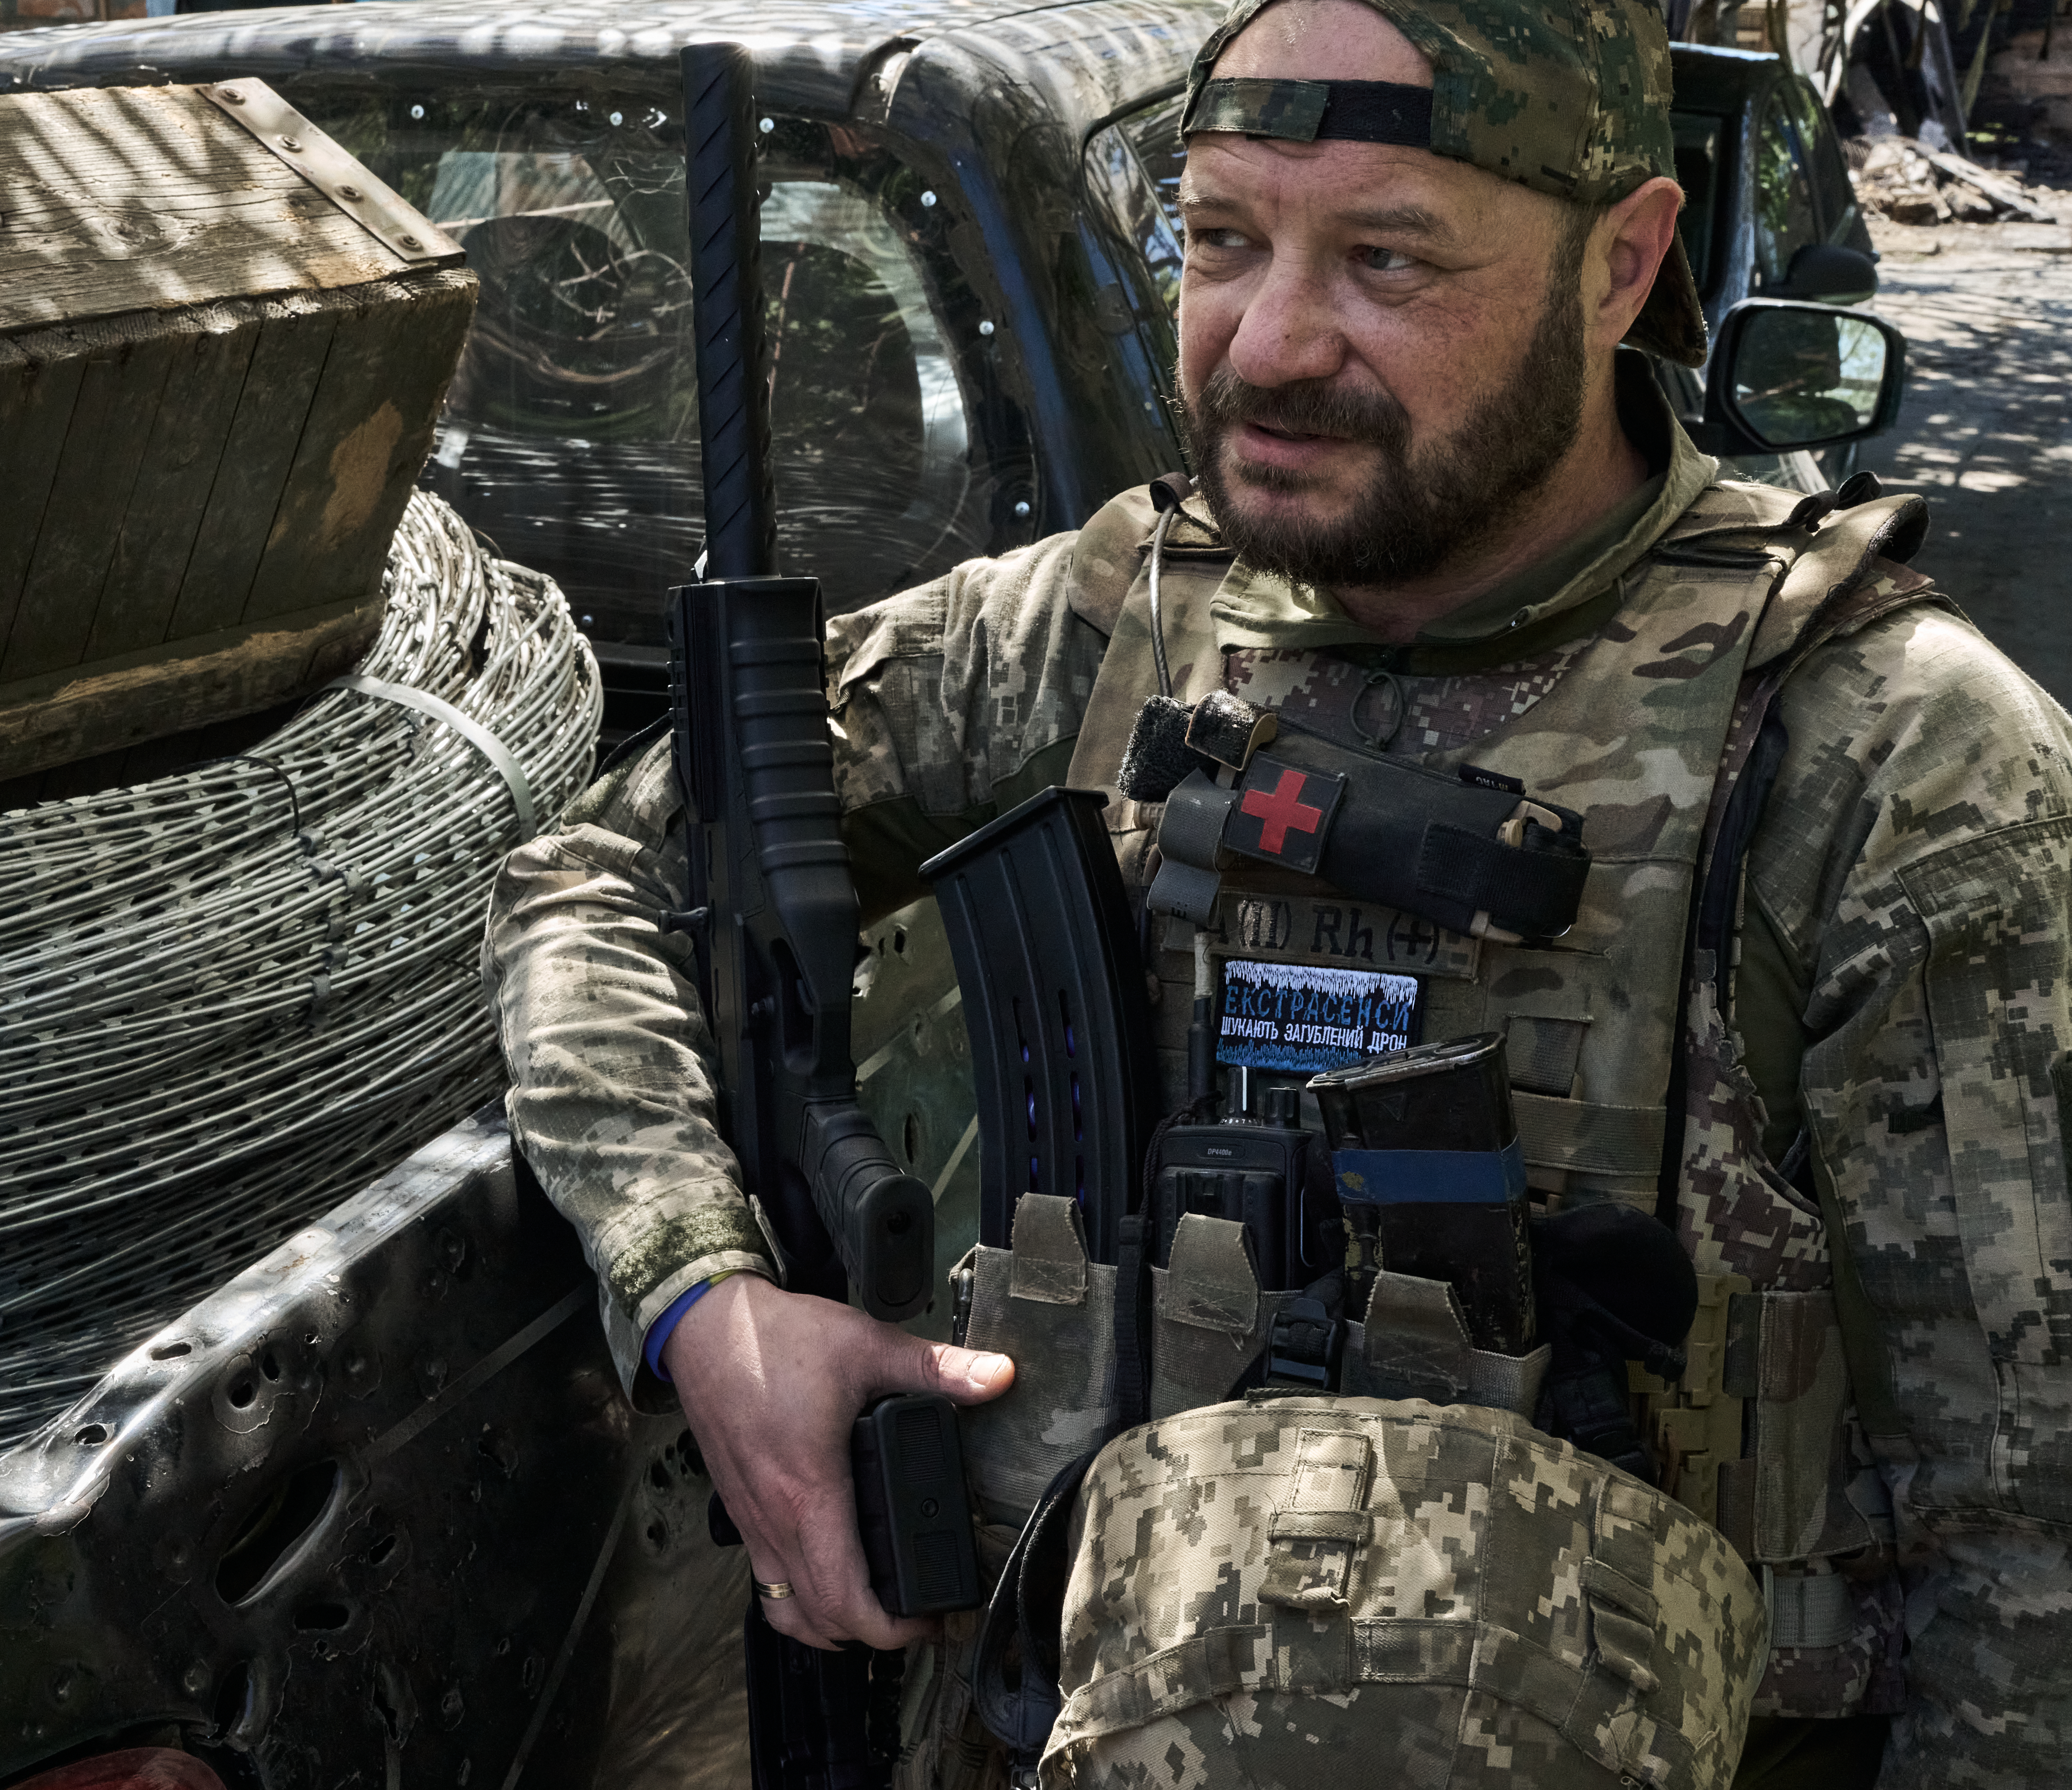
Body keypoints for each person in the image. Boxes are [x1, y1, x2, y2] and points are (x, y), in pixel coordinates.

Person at [484, 0, 2072, 1782]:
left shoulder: (1891, 756)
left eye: (1386, 259)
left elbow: (2024, 1563)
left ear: (1624, 263)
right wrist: (698, 1296)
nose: (1272, 342)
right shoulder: (1088, 628)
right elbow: (597, 869)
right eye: (1220, 241)